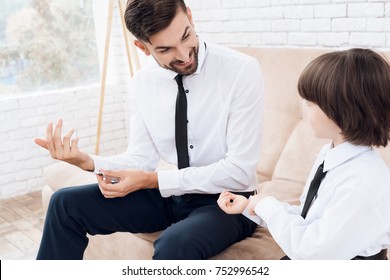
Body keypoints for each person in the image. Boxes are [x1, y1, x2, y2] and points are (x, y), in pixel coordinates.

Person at [34, 0, 264, 260]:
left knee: (174, 244)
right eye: (165, 49)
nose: (184, 54)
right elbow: (141, 159)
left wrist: (154, 181)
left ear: (190, 16)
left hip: (230, 203)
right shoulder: (144, 82)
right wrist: (86, 161)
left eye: (186, 35)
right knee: (65, 204)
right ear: (142, 47)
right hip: (172, 195)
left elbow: (239, 171)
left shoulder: (241, 70)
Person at [218, 48, 390, 260]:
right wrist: (253, 206)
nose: (306, 110)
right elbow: (308, 220)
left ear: (343, 111)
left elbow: (312, 252)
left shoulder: (361, 183)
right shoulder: (330, 155)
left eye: (311, 103)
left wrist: (267, 205)